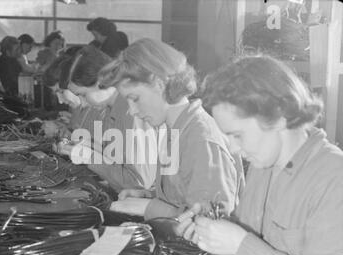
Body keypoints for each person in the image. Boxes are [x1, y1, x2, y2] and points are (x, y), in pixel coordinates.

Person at [176, 55, 343, 255]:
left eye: (238, 135)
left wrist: (241, 245)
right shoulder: (263, 163)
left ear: (278, 117)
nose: (234, 149)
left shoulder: (336, 180)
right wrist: (213, 227)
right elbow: (250, 242)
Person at [99, 38, 244, 221]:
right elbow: (183, 195)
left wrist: (152, 208)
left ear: (159, 84)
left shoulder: (200, 139)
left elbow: (212, 221)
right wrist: (148, 196)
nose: (133, 111)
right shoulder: (173, 130)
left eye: (135, 98)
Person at [54, 45, 157, 192]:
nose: (81, 103)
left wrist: (89, 157)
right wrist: (85, 146)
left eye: (82, 95)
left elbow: (138, 183)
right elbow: (114, 159)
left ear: (100, 82)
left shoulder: (132, 112)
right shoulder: (111, 107)